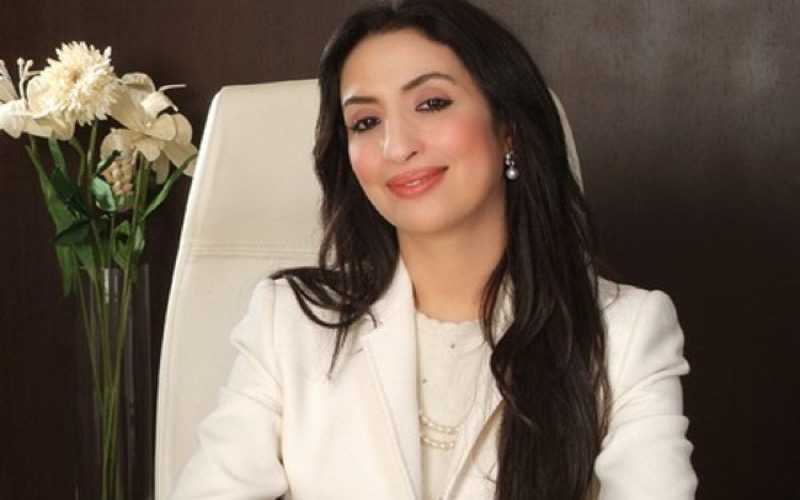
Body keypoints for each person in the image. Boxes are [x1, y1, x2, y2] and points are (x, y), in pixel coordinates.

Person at [171, 0, 698, 499]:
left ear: (508, 128)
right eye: (366, 122)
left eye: (432, 104)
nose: (397, 146)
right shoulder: (287, 321)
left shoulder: (625, 333)